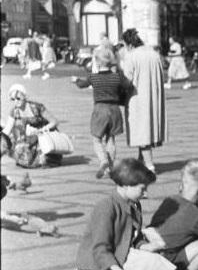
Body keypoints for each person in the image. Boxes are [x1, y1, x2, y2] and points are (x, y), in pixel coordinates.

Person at [61, 159, 175, 270]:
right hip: (100, 268)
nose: (146, 193)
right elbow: (100, 249)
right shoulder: (106, 206)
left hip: (119, 256)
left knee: (158, 262)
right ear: (127, 186)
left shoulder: (133, 204)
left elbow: (132, 236)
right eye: (142, 189)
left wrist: (146, 246)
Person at [71, 47, 131, 179]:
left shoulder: (94, 77)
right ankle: (110, 166)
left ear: (97, 62)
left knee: (97, 139)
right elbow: (128, 85)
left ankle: (103, 161)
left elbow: (82, 84)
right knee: (111, 139)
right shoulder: (117, 77)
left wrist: (75, 80)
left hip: (100, 109)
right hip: (115, 110)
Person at [120, 29, 167, 172]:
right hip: (153, 97)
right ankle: (141, 161)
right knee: (148, 129)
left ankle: (149, 165)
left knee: (141, 131)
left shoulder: (131, 56)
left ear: (129, 45)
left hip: (137, 98)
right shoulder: (154, 54)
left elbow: (127, 80)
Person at [2, 83, 65, 168]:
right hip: (28, 138)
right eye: (13, 99)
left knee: (43, 161)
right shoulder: (14, 111)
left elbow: (54, 122)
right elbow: (7, 130)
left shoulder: (36, 107)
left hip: (43, 137)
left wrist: (43, 129)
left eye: (18, 98)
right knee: (13, 142)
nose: (16, 102)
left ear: (25, 96)